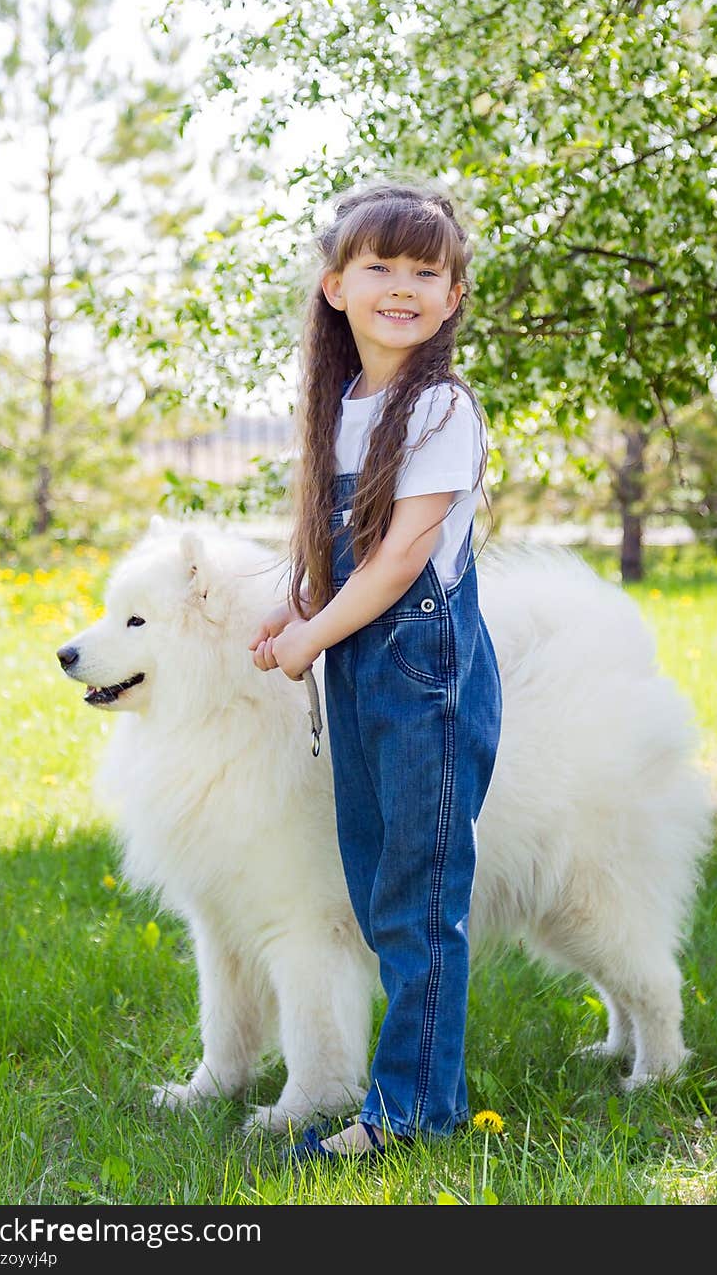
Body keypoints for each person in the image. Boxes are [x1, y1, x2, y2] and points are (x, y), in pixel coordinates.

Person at [248, 181, 502, 1160]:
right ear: (334, 286)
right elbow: (334, 540)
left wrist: (311, 640)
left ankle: (406, 1116)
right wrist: (296, 600)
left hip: (424, 679)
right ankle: (426, 1086)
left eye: (424, 272)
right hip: (361, 668)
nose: (401, 287)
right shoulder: (343, 401)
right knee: (374, 883)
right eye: (379, 267)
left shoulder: (438, 405)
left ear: (451, 297)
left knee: (416, 896)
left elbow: (399, 558)